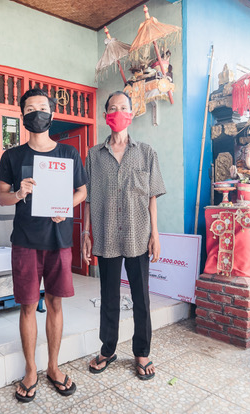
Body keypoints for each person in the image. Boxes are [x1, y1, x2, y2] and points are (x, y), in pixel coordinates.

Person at [0, 88, 88, 402]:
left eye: (42, 107)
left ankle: (53, 366)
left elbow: (81, 191)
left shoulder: (68, 154)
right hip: (25, 241)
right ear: (23, 116)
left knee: (55, 304)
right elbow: (2, 198)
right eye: (29, 108)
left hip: (58, 241)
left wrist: (66, 206)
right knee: (27, 306)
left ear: (51, 113)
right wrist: (19, 193)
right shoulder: (12, 156)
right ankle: (31, 369)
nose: (36, 113)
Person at [82, 91, 166, 381]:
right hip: (106, 235)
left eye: (123, 107)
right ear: (106, 115)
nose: (118, 112)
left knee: (141, 297)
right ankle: (108, 349)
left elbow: (152, 196)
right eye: (112, 108)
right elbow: (88, 198)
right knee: (108, 296)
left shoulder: (146, 153)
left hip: (138, 234)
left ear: (131, 113)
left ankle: (142, 352)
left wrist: (155, 234)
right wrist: (86, 232)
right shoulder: (94, 156)